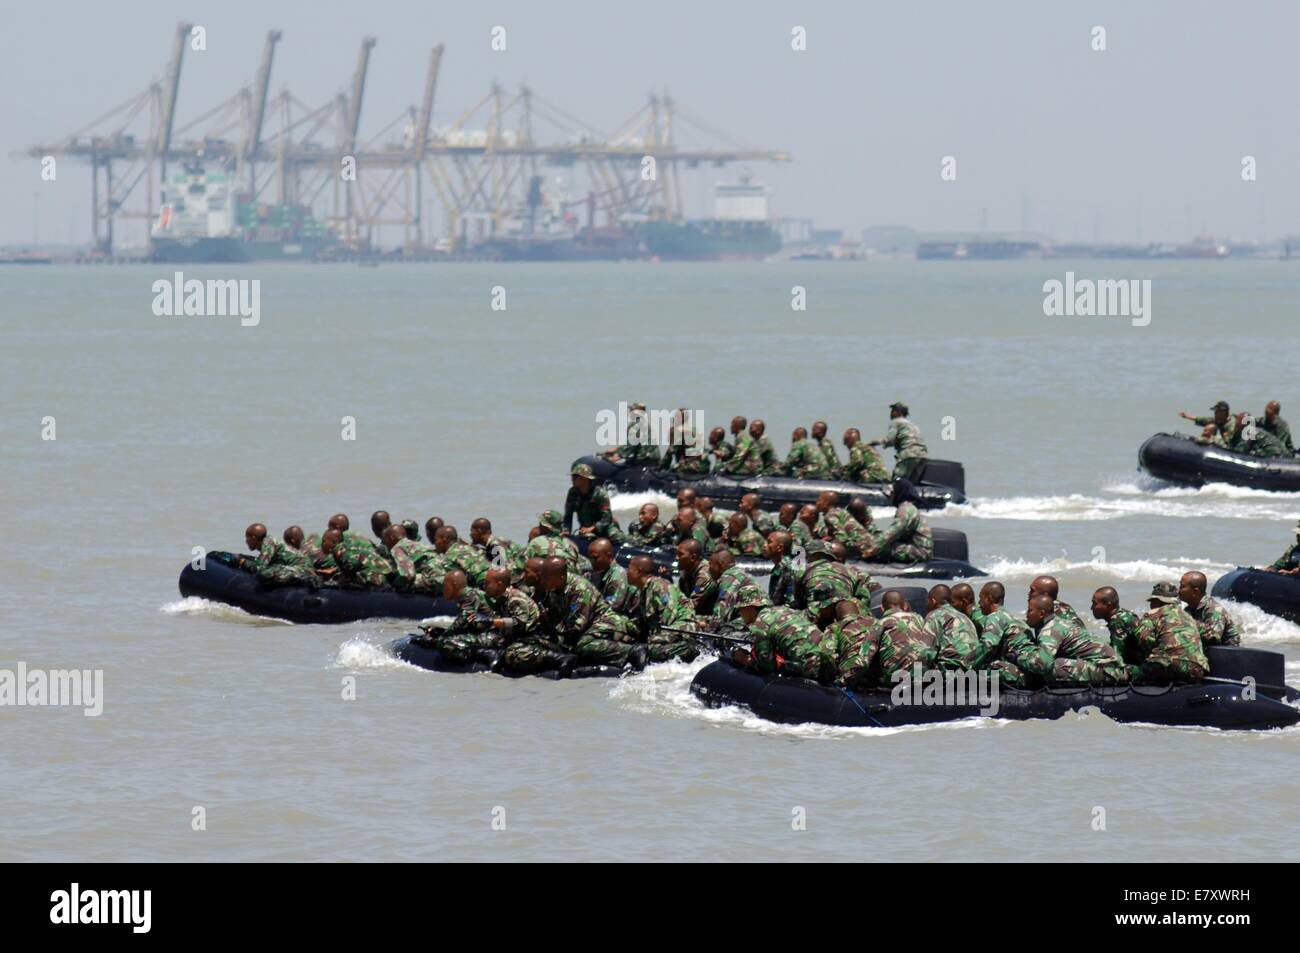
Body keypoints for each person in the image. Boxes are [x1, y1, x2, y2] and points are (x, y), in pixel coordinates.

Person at [537, 557, 646, 669]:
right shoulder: (553, 588)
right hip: (588, 626)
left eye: (546, 578)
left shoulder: (579, 589)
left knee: (582, 645)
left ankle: (631, 652)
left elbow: (577, 626)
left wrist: (556, 632)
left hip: (605, 623)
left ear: (561, 577)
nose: (542, 581)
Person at [1003, 594, 1129, 686]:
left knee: (1055, 666)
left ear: (1041, 614)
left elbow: (1043, 664)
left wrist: (1018, 657)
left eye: (1030, 610)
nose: (1027, 614)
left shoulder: (1050, 630)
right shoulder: (1058, 623)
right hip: (1109, 667)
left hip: (1110, 671)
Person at [838, 589, 933, 689]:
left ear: (882, 608)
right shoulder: (920, 619)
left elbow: (862, 661)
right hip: (924, 678)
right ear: (905, 606)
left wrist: (845, 681)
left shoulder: (880, 624)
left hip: (896, 681)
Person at [733, 591, 833, 681]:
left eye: (740, 610)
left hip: (811, 668)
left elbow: (767, 667)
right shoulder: (784, 610)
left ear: (749, 608)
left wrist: (747, 660)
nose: (740, 614)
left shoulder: (760, 624)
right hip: (829, 662)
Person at [625, 556, 699, 662]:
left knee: (652, 650)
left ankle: (690, 650)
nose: (627, 572)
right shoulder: (644, 590)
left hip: (682, 627)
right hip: (668, 630)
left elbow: (669, 619)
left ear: (638, 571)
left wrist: (651, 640)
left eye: (629, 568)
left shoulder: (659, 586)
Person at [1131, 582, 1208, 681]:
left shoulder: (1152, 614)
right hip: (1197, 669)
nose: (1151, 605)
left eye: (1152, 601)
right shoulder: (1188, 616)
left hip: (1168, 666)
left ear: (1157, 601)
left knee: (1128, 671)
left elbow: (1144, 639)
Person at [865, 479, 933, 562]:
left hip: (920, 553)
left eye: (893, 492)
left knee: (883, 547)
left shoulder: (905, 510)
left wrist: (872, 547)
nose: (890, 495)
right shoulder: (908, 507)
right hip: (919, 549)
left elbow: (893, 532)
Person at [924, 585, 980, 671]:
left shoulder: (934, 615)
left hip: (950, 671)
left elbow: (927, 652)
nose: (926, 605)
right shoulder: (965, 617)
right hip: (972, 671)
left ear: (933, 601)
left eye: (927, 602)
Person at [869, 402, 928, 482]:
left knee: (898, 481)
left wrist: (873, 443)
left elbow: (890, 440)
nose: (891, 413)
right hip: (922, 456)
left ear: (899, 412)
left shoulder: (896, 422)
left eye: (893, 411)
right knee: (913, 483)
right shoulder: (912, 425)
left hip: (908, 454)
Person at [1178, 571, 1241, 647]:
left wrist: (1185, 624)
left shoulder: (1214, 609)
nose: (1179, 590)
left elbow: (1212, 637)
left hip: (1226, 653)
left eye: (1182, 586)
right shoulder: (1189, 609)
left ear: (1195, 591)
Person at [972, 581, 1027, 668]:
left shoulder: (995, 617)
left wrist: (965, 665)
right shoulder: (1007, 615)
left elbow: (987, 645)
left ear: (989, 599)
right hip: (1023, 666)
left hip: (1017, 670)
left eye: (981, 598)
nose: (979, 603)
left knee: (983, 666)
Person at [241, 523, 315, 585]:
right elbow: (262, 561)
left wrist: (243, 562)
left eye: (247, 538)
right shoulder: (266, 544)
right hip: (293, 566)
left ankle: (307, 579)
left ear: (253, 538)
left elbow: (259, 568)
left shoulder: (268, 543)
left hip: (301, 568)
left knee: (264, 575)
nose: (246, 541)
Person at [1090, 586, 1144, 666]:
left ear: (1108, 605)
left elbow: (1117, 658)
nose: (1091, 608)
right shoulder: (1126, 614)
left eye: (1095, 603)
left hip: (1138, 669)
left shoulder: (1117, 621)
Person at [323, 528, 394, 587]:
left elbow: (351, 565)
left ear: (333, 542)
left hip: (376, 576)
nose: (322, 544)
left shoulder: (339, 549)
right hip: (385, 572)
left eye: (324, 541)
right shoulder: (347, 546)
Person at [387, 524, 446, 592]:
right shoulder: (417, 544)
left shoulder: (397, 547)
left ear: (391, 537)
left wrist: (395, 585)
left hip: (434, 578)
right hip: (444, 573)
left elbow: (408, 575)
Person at [704, 549, 755, 627]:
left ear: (721, 565)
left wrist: (709, 629)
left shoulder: (730, 577)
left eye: (711, 564)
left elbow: (722, 611)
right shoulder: (737, 573)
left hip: (754, 623)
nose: (709, 569)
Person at [587, 538, 637, 617]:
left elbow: (611, 608)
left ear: (609, 555)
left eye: (595, 558)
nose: (592, 561)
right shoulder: (602, 572)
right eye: (590, 558)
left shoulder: (617, 577)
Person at [814, 490, 874, 556]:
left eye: (819, 500)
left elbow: (842, 537)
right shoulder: (840, 511)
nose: (817, 503)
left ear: (826, 503)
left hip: (864, 550)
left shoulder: (830, 515)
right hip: (870, 544)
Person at [563, 462, 614, 538]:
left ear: (584, 478)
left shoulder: (599, 494)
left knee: (616, 536)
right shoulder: (573, 492)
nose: (572, 479)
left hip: (604, 528)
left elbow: (607, 517)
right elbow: (568, 515)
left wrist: (593, 528)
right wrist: (566, 531)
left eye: (575, 477)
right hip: (585, 529)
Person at [765, 530, 799, 607]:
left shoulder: (789, 568)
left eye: (769, 542)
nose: (765, 545)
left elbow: (791, 602)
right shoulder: (778, 567)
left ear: (780, 547)